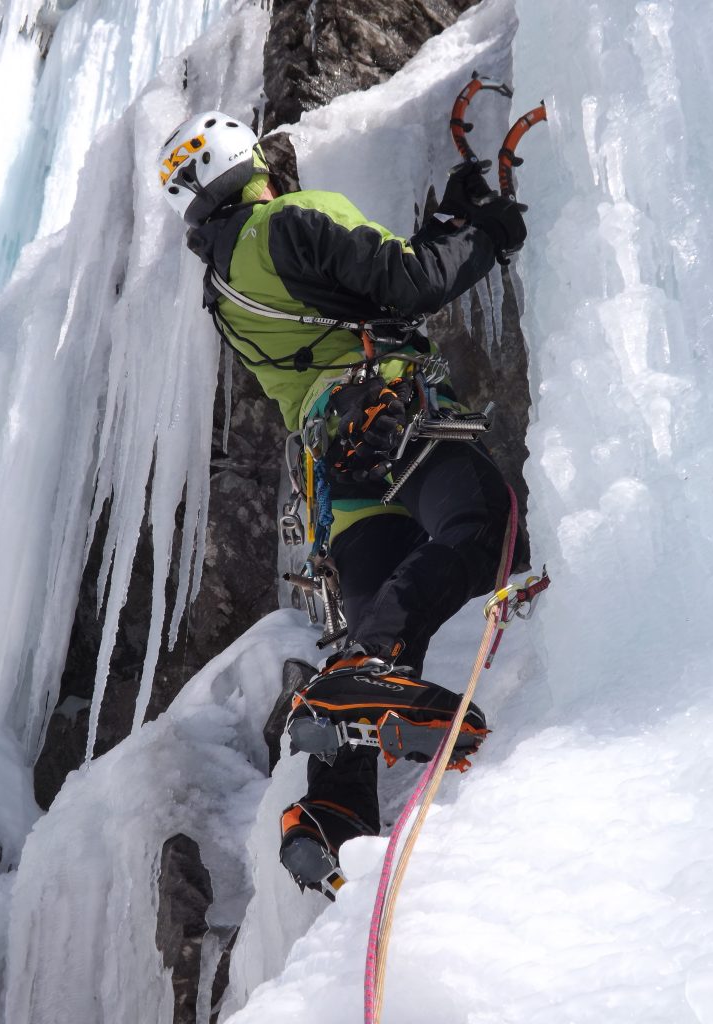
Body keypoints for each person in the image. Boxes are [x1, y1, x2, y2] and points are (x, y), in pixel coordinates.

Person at [158, 110, 527, 897]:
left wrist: (445, 224)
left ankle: (331, 809)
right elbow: (408, 281)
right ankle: (361, 672)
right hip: (397, 420)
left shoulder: (223, 288)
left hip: (339, 470)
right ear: (248, 160)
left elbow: (350, 306)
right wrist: (488, 232)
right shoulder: (289, 219)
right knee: (487, 527)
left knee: (380, 631)